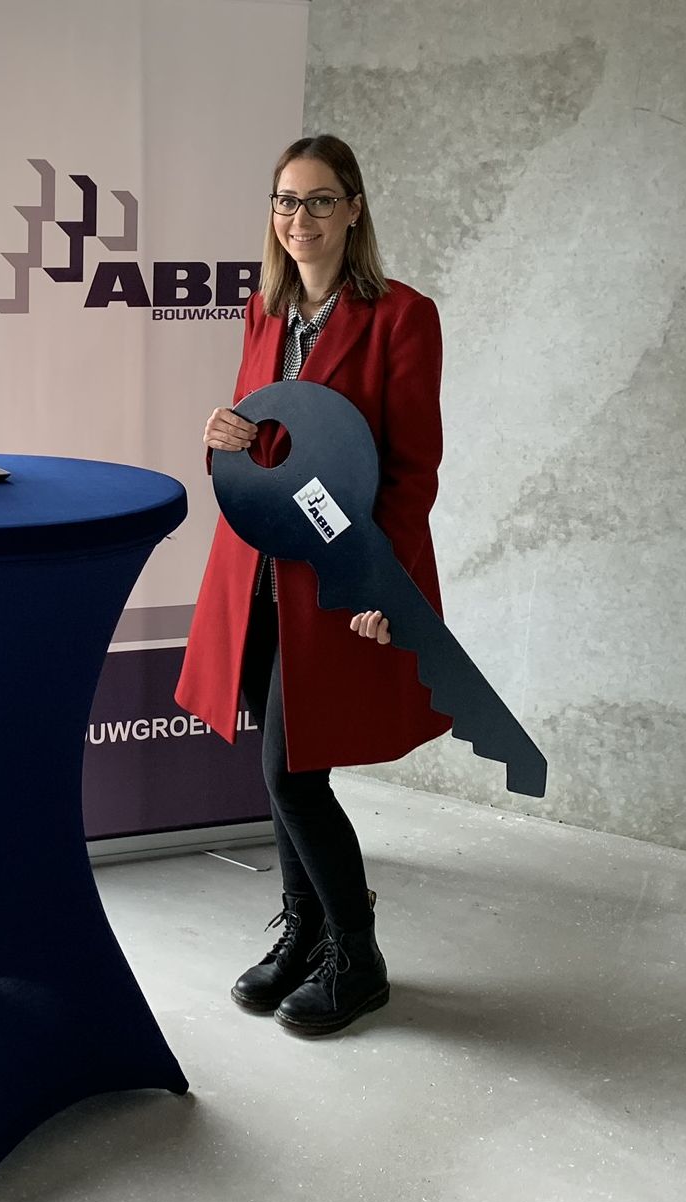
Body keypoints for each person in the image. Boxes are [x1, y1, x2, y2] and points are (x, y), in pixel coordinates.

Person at [175, 134, 451, 1036]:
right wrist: (223, 436)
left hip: (334, 575)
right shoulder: (265, 311)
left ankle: (358, 959)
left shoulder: (402, 317)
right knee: (283, 766)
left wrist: (383, 583)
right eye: (287, 201)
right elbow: (265, 440)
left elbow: (411, 472)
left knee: (295, 774)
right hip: (258, 568)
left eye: (321, 200)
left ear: (354, 209)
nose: (301, 218)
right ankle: (304, 935)